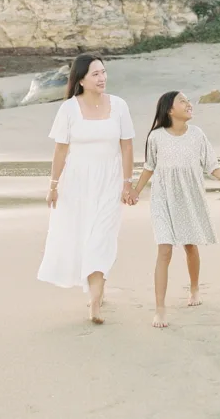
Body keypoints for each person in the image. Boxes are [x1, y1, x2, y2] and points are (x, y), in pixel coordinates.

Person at [132, 91, 220, 328]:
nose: (188, 104)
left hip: (189, 198)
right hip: (163, 199)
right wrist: (135, 191)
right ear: (169, 110)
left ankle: (194, 288)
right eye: (182, 101)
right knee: (164, 250)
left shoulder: (197, 135)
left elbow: (212, 167)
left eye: (188, 100)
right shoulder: (156, 137)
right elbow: (148, 167)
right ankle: (160, 309)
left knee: (189, 246)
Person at [37, 53, 137, 324]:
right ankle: (96, 291)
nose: (102, 78)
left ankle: (95, 300)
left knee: (102, 237)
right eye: (95, 74)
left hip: (110, 180)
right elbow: (60, 149)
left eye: (103, 72)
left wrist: (128, 183)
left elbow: (126, 145)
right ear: (80, 80)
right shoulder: (69, 109)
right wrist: (53, 186)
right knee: (83, 236)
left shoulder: (119, 105)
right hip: (77, 182)